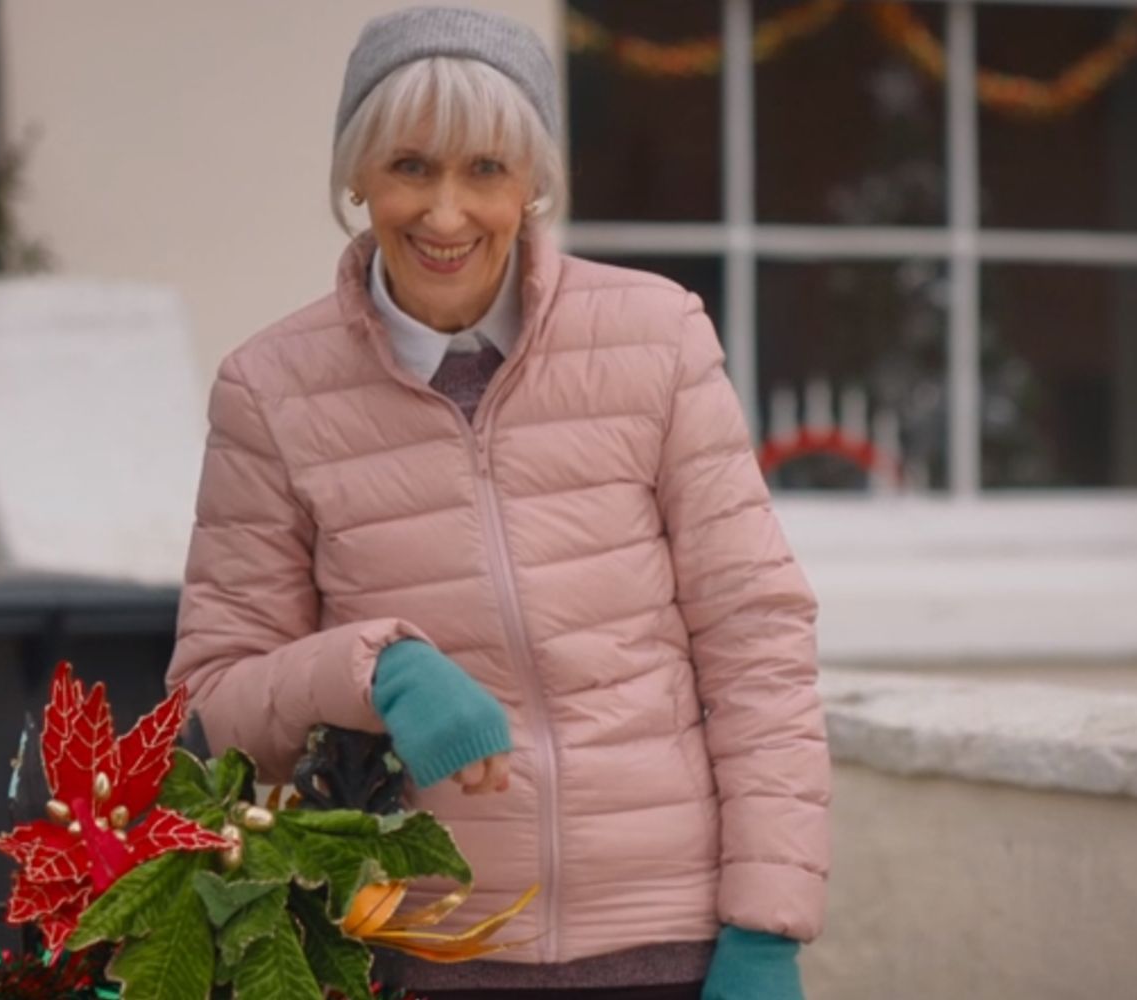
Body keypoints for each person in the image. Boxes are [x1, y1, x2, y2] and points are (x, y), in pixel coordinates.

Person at [167, 7, 827, 999]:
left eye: (484, 169)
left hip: (670, 946)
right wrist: (374, 667)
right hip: (426, 953)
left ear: (532, 184)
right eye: (409, 166)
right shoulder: (270, 389)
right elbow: (210, 705)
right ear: (356, 177)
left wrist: (766, 927)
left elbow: (755, 638)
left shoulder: (655, 338)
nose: (443, 214)